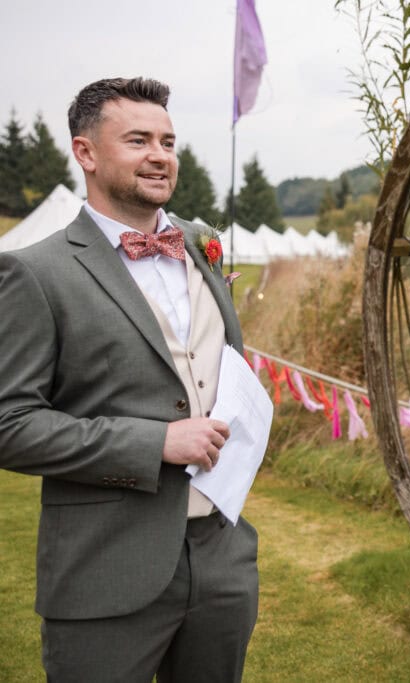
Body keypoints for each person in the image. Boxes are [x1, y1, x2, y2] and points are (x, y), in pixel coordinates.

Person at [0, 77, 258, 681]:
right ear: (85, 153)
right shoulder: (34, 273)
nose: (160, 155)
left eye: (167, 141)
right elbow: (9, 424)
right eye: (138, 140)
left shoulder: (202, 244)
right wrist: (155, 442)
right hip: (104, 565)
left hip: (222, 560)